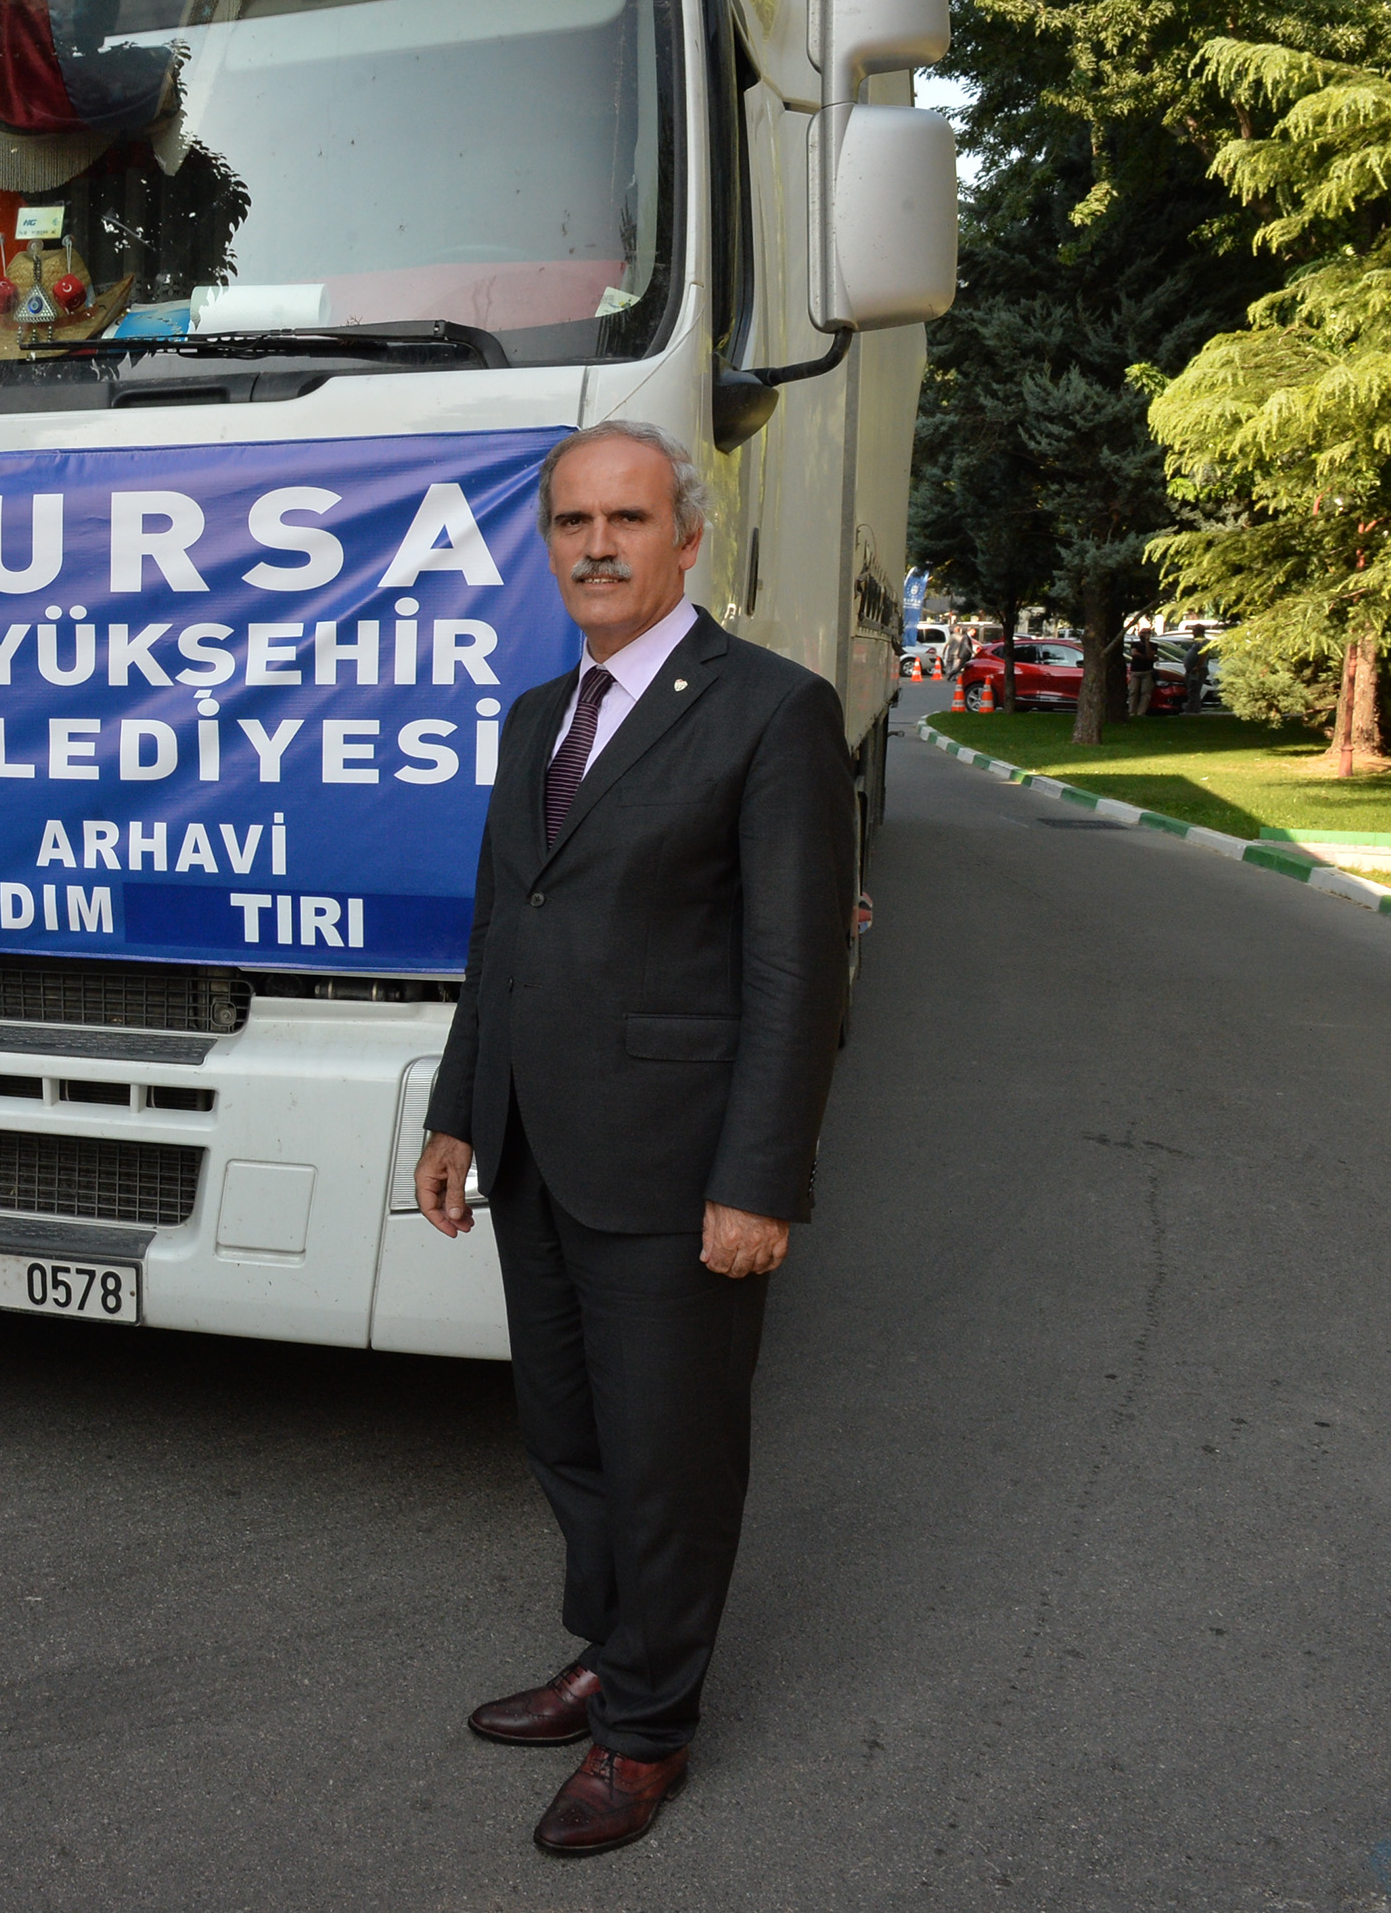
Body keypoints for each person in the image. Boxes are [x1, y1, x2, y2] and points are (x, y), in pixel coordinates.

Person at [413, 421, 853, 1859]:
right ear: (548, 542)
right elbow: (504, 930)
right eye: (572, 521)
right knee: (571, 1437)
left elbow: (797, 973)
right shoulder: (538, 713)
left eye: (629, 518)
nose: (597, 545)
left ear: (688, 537)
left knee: (671, 1456)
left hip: (679, 1166)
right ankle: (613, 1653)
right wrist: (458, 1112)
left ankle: (650, 1728)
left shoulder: (772, 711)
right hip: (534, 1147)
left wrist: (759, 1179)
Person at [1127, 628, 1158, 719]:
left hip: (1147, 671)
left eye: (1145, 633)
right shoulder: (1135, 644)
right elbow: (1134, 653)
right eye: (1142, 633)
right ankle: (1132, 712)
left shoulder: (1153, 645)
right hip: (1135, 671)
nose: (1143, 635)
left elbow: (1150, 654)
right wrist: (1147, 657)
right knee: (1133, 691)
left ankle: (1141, 712)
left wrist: (1147, 643)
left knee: (1145, 692)